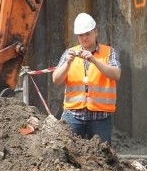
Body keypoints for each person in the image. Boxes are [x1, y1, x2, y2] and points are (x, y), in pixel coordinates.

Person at [52, 12, 121, 144]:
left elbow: (116, 74)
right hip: (73, 116)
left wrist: (95, 60)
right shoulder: (69, 53)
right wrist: (67, 63)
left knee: (102, 157)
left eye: (87, 34)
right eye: (80, 35)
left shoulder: (109, 52)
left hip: (100, 117)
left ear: (96, 32)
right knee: (67, 153)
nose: (84, 38)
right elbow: (56, 79)